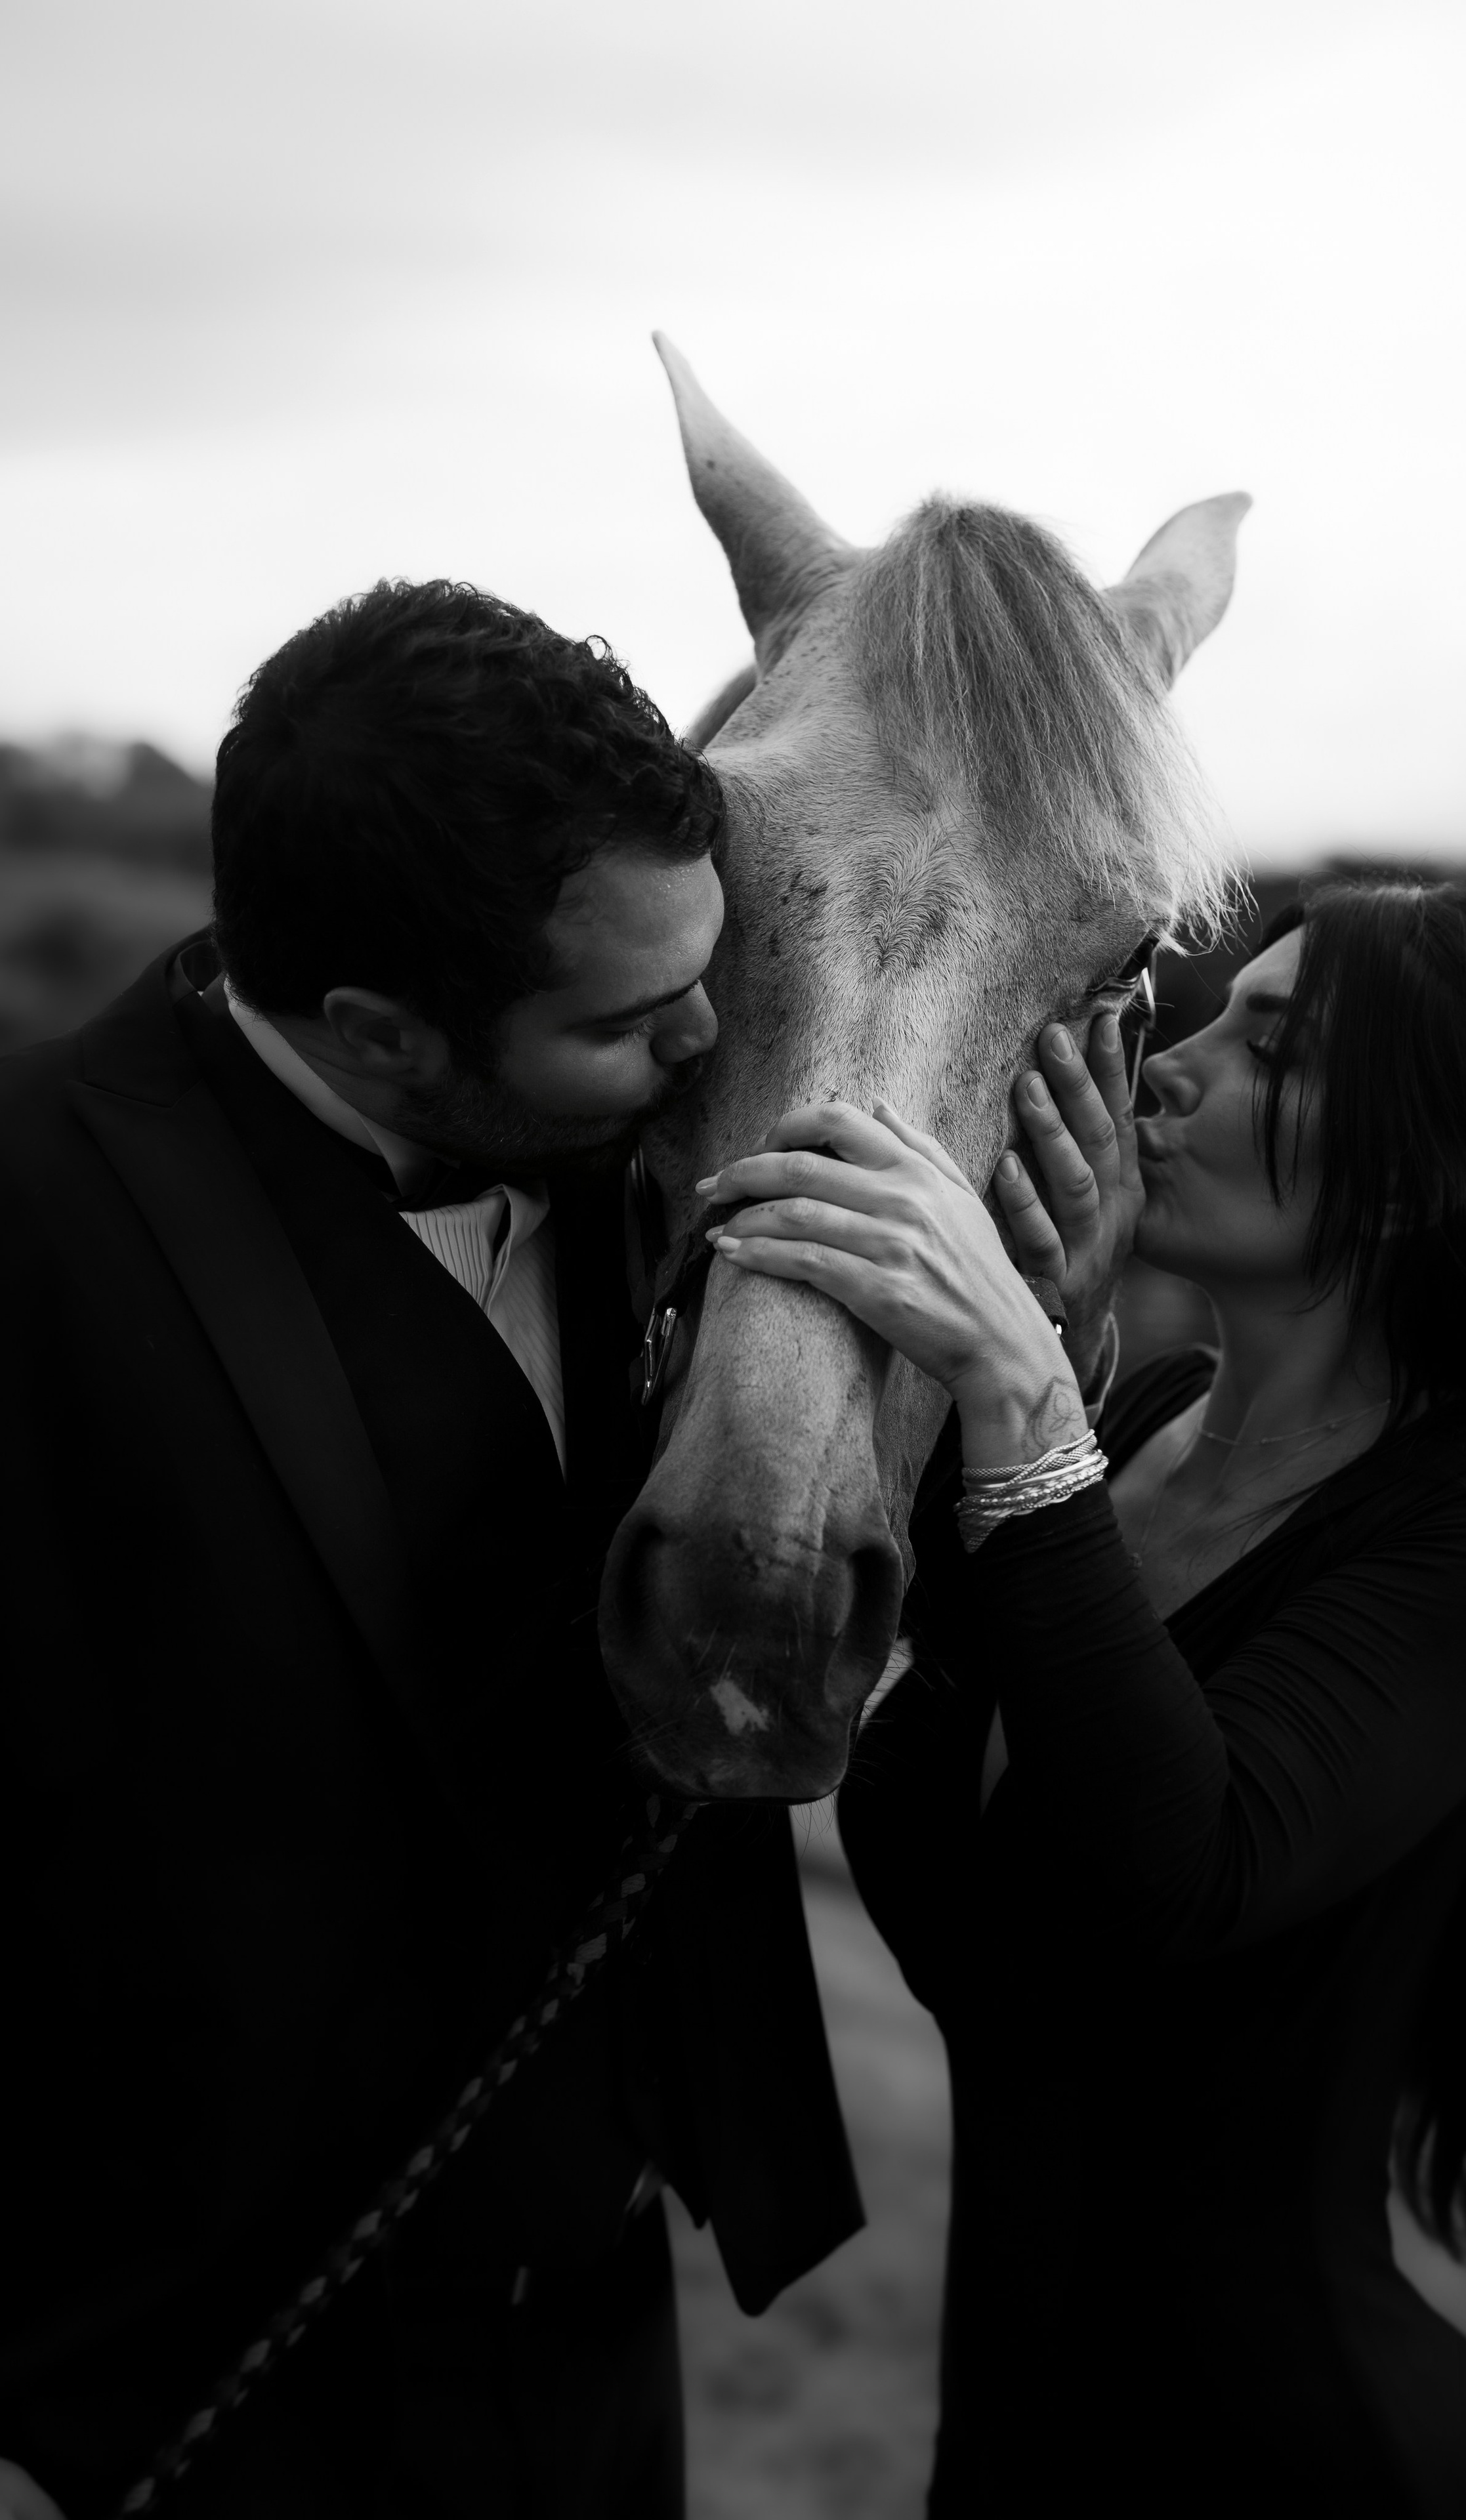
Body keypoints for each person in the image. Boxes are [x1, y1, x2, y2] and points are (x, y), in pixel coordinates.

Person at [0, 580, 860, 2520]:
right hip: (190, 2370)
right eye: (637, 1019)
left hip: (599, 2314)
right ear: (384, 1036)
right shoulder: (30, 1215)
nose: (714, 1038)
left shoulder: (665, 1150)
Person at [700, 878, 1466, 2515]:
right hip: (1011, 2454)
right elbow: (957, 1912)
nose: (1168, 1061)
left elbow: (1182, 1866)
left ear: (1426, 1170)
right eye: (1213, 1011)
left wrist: (1014, 1384)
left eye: (1271, 1048)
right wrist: (1054, 1356)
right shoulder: (1118, 1424)